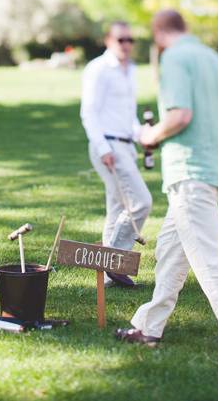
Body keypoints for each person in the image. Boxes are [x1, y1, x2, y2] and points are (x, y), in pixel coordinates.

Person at [115, 9, 218, 365]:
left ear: (158, 34)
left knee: (210, 258)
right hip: (211, 170)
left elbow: (179, 115)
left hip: (189, 174)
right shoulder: (212, 57)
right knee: (171, 250)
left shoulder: (174, 58)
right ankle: (148, 327)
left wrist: (148, 136)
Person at [80, 21, 153, 287]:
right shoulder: (98, 69)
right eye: (121, 39)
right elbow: (88, 112)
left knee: (117, 206)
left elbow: (127, 115)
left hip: (125, 144)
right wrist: (103, 148)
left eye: (130, 40)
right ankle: (116, 260)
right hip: (108, 145)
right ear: (108, 40)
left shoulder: (130, 70)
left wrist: (142, 135)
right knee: (141, 202)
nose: (126, 44)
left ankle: (108, 275)